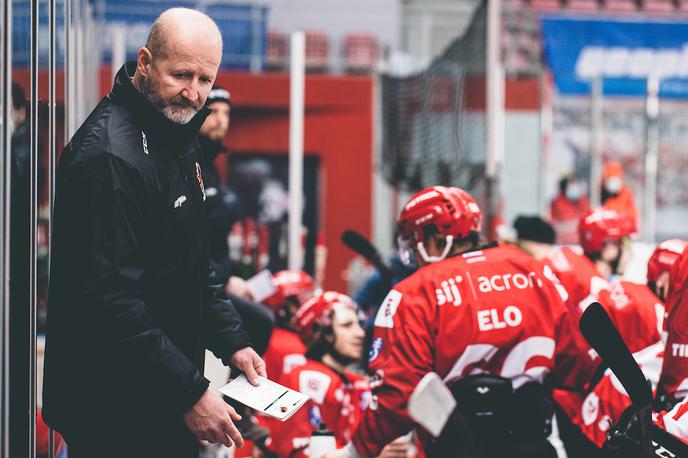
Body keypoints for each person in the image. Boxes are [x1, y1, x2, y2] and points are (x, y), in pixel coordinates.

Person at [42, 8, 266, 457]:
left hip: (156, 396)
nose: (194, 93)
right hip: (112, 411)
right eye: (181, 74)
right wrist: (189, 392)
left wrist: (234, 341)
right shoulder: (108, 157)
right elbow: (109, 302)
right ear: (145, 62)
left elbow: (191, 260)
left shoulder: (177, 137)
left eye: (206, 80)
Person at [324, 185, 595, 458]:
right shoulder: (536, 272)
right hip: (535, 446)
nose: (415, 258)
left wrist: (355, 451)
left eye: (414, 244)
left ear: (434, 238)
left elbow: (396, 395)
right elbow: (576, 364)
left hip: (459, 449)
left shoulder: (414, 292)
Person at [266, 291, 408, 458]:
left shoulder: (357, 383)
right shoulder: (304, 379)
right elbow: (298, 454)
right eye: (347, 325)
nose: (360, 334)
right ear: (324, 333)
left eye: (359, 325)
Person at [550, 175, 589, 245]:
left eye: (576, 186)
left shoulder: (583, 201)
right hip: (562, 243)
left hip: (581, 243)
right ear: (564, 189)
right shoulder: (557, 203)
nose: (574, 190)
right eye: (571, 187)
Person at [601, 161, 638, 230]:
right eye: (610, 181)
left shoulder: (626, 194)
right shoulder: (600, 194)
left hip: (621, 231)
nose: (613, 185)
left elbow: (632, 214)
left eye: (615, 181)